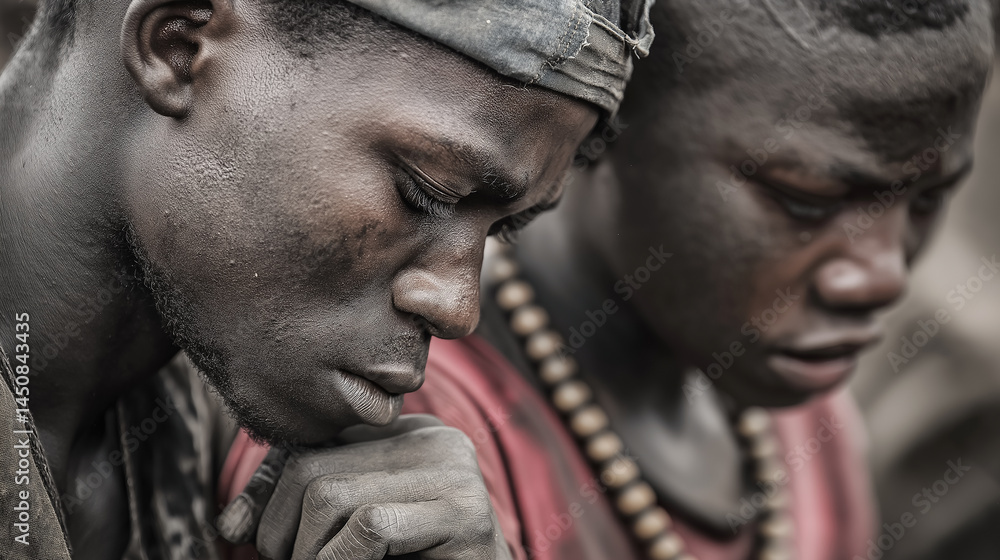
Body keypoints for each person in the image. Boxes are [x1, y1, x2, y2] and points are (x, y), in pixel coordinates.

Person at [0, 0, 654, 559]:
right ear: (179, 47)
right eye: (426, 191)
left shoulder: (205, 443)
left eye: (504, 230)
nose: (457, 307)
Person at [394, 1, 995, 559]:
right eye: (805, 200)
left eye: (929, 199)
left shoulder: (813, 435)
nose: (883, 277)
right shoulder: (429, 435)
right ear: (606, 118)